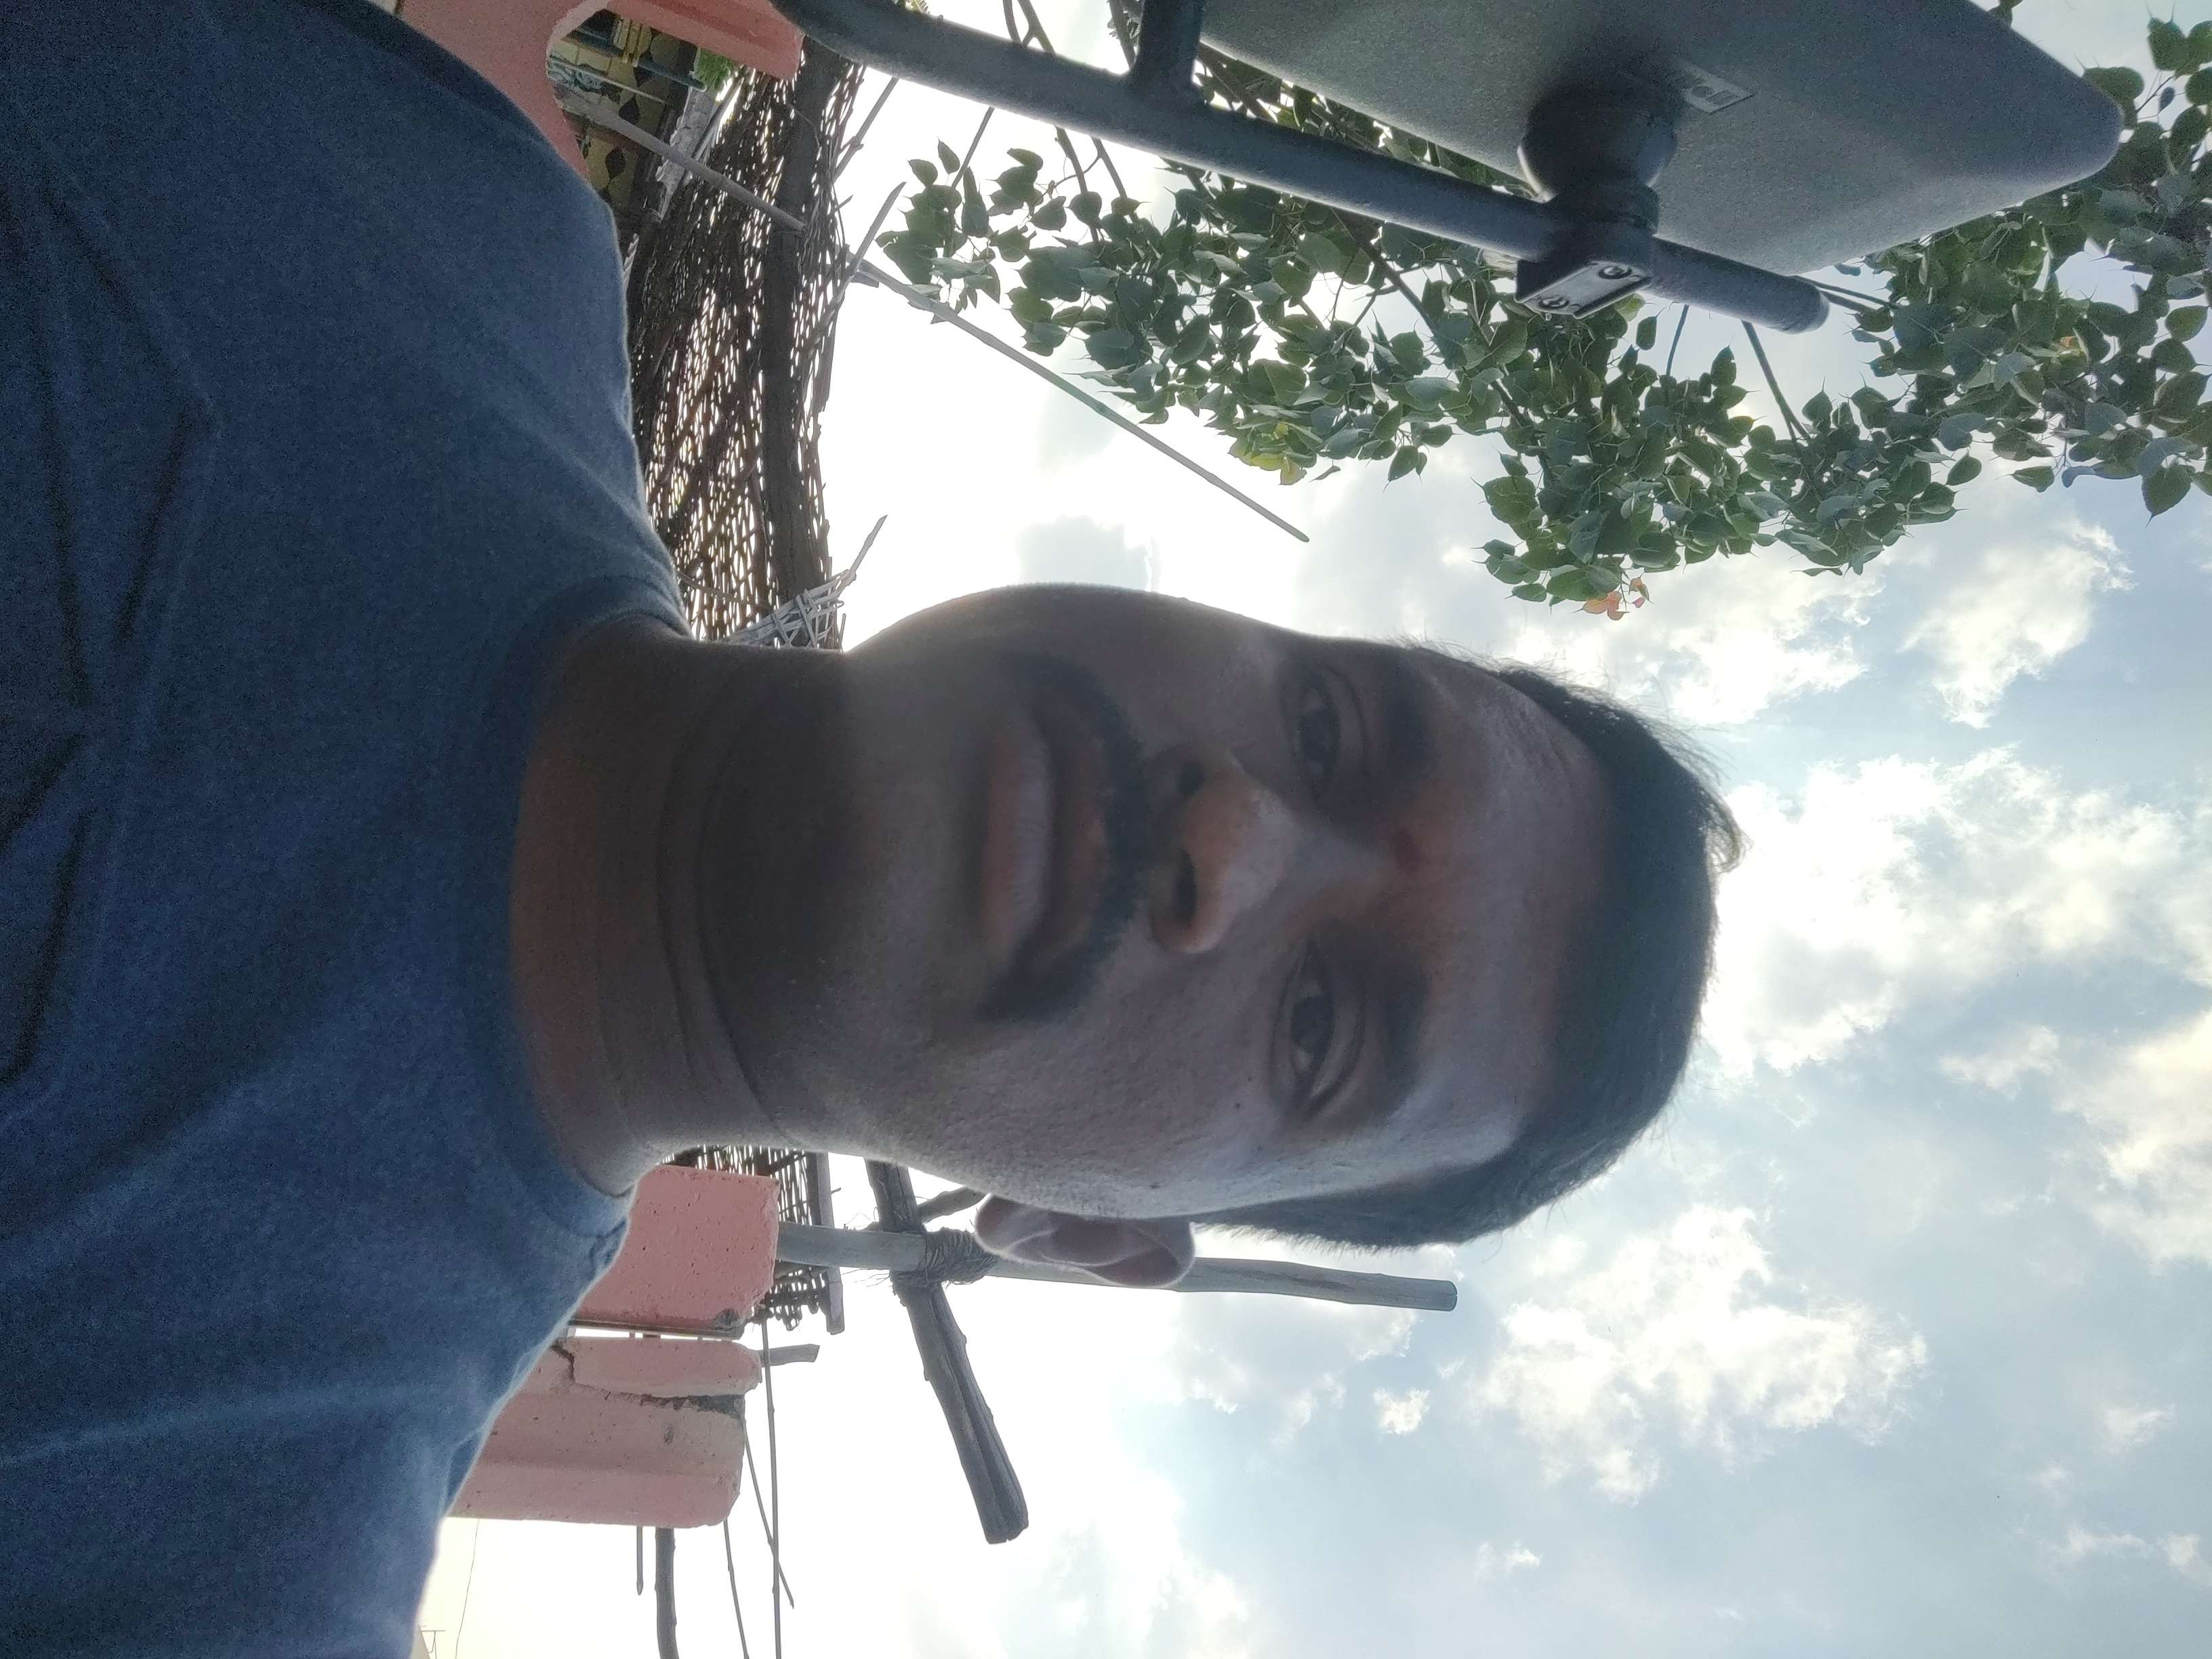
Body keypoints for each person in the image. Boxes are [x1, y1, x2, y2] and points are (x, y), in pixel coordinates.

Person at [0, 0, 1738, 1650]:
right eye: (1329, 727)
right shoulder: (466, 226)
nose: (1237, 840)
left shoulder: (207, 1535)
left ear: (1085, 1237)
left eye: (1319, 1028)